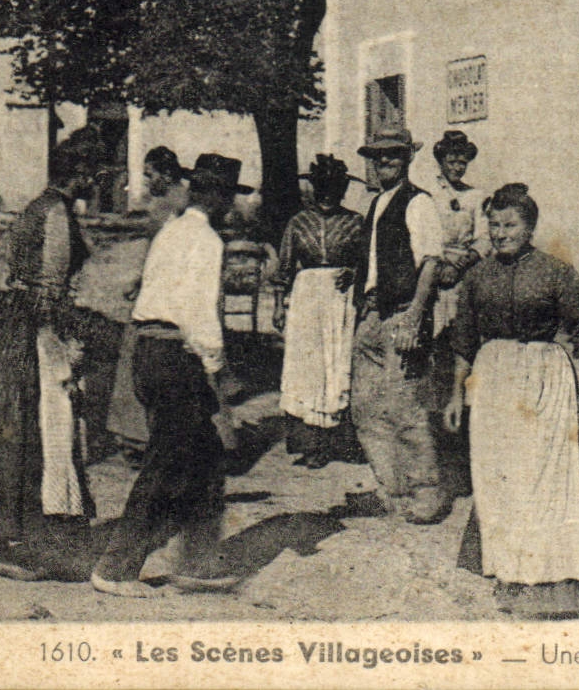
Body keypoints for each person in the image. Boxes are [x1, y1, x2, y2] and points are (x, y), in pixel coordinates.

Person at [90, 154, 254, 596]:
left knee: (202, 460)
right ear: (218, 199)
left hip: (147, 348)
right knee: (165, 464)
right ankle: (116, 567)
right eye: (228, 199)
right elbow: (199, 314)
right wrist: (218, 372)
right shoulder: (206, 240)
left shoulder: (171, 230)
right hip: (176, 356)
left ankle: (199, 562)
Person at [445, 183, 579, 618]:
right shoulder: (477, 276)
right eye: (493, 225)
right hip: (494, 376)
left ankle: (549, 565)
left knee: (543, 472)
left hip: (545, 374)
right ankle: (507, 565)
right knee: (498, 472)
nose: (500, 233)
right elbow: (462, 339)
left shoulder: (556, 272)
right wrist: (454, 394)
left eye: (510, 225)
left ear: (530, 226)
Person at [0, 141, 97, 581]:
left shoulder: (35, 207)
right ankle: (3, 544)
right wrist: (70, 343)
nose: (97, 181)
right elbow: (51, 289)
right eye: (92, 172)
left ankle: (11, 539)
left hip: (15, 328)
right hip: (36, 333)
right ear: (78, 173)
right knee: (38, 432)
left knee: (15, 435)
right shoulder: (56, 214)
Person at [343, 126, 449, 524]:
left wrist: (415, 315)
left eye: (392, 154)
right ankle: (391, 486)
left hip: (402, 314)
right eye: (378, 155)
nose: (384, 161)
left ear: (407, 158)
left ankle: (426, 492)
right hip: (371, 314)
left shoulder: (418, 203)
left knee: (406, 408)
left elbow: (431, 263)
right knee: (367, 407)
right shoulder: (377, 203)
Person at [272, 154, 366, 468]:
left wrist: (354, 272)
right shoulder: (298, 222)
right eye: (322, 187)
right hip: (307, 297)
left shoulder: (355, 221)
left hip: (341, 298)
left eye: (334, 188)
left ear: (342, 189)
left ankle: (342, 441)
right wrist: (278, 305)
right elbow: (284, 266)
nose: (327, 195)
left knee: (338, 362)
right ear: (314, 188)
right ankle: (311, 443)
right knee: (308, 367)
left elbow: (367, 261)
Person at [107, 147, 194, 453]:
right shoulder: (160, 204)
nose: (145, 181)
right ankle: (137, 436)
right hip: (154, 286)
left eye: (150, 175)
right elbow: (154, 254)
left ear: (167, 174)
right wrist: (139, 279)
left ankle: (155, 439)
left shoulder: (182, 204)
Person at [429, 129, 484, 497]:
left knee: (464, 360)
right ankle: (436, 459)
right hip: (433, 281)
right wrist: (440, 265)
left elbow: (482, 238)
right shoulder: (427, 195)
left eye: (462, 159)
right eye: (451, 159)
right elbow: (424, 235)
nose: (457, 165)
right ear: (440, 160)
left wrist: (463, 262)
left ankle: (465, 455)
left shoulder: (476, 197)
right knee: (434, 361)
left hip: (464, 281)